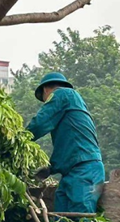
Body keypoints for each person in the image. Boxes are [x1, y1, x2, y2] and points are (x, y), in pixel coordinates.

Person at [27, 72, 104, 214]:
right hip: (72, 172)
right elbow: (69, 145)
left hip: (85, 169)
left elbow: (40, 124)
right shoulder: (72, 102)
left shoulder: (62, 94)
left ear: (46, 90)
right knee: (62, 219)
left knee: (81, 218)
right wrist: (51, 168)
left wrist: (19, 139)